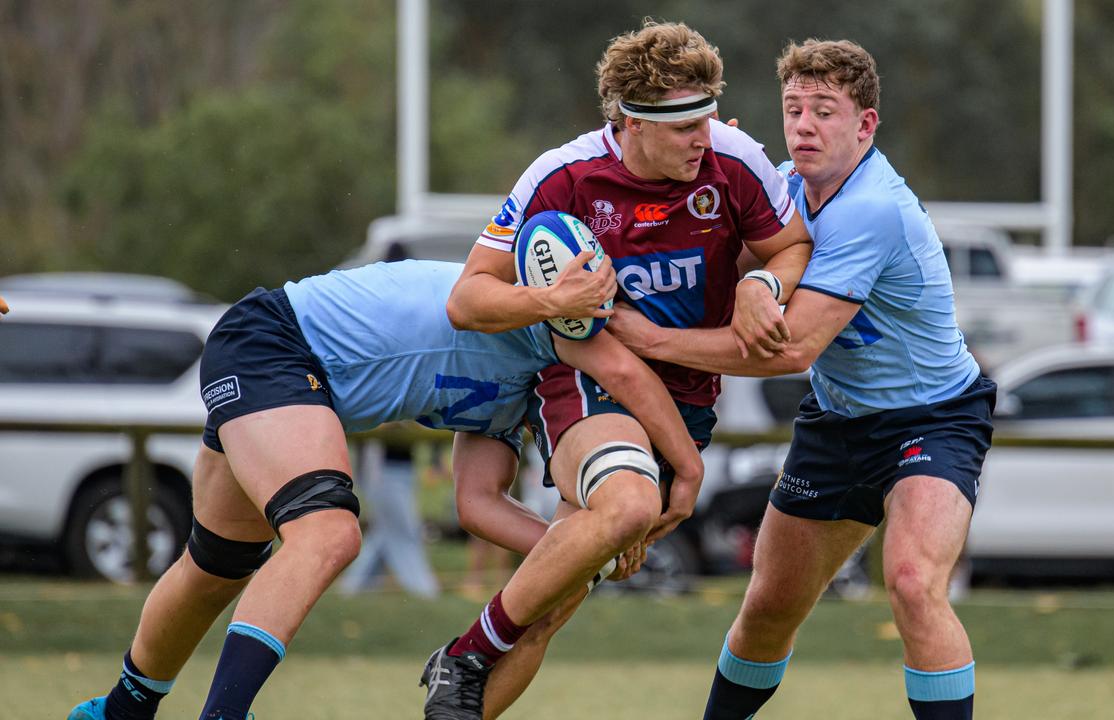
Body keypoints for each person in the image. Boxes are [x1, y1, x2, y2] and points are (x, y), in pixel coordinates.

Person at [65, 258, 698, 720]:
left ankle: (120, 712)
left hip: (297, 385)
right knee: (330, 532)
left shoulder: (519, 405)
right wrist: (679, 474)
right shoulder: (552, 323)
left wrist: (581, 550)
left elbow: (475, 504)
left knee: (217, 564)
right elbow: (616, 363)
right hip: (275, 342)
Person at [422, 20, 812, 720]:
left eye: (708, 118)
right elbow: (466, 297)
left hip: (686, 400)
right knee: (628, 504)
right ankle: (466, 653)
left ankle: (462, 690)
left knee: (550, 602)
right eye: (685, 125)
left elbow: (790, 247)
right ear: (631, 123)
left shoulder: (734, 160)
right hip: (588, 379)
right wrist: (550, 299)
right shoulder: (563, 177)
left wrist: (763, 286)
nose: (706, 136)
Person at [608, 38, 995, 720]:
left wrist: (648, 338)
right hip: (838, 420)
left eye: (825, 110)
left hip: (933, 418)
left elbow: (789, 350)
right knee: (769, 606)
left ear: (865, 125)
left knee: (911, 582)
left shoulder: (872, 207)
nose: (806, 125)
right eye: (794, 109)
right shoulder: (783, 186)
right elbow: (739, 237)